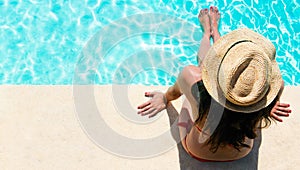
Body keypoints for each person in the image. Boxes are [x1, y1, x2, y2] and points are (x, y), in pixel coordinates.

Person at [137, 6, 292, 162]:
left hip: (199, 151)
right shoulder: (276, 86)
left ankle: (207, 33)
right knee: (214, 75)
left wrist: (164, 99)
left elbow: (173, 94)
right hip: (242, 150)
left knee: (201, 71)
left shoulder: (190, 77)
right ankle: (215, 32)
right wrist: (265, 107)